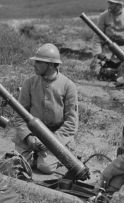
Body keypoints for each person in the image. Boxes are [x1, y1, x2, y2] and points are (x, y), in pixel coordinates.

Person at [13, 43, 78, 174]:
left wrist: (51, 141)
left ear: (51, 65)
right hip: (32, 136)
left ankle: (57, 155)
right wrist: (28, 137)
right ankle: (35, 154)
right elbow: (19, 115)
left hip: (56, 136)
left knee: (45, 168)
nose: (34, 65)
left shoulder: (68, 86)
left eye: (39, 62)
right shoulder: (29, 83)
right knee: (19, 164)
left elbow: (71, 122)